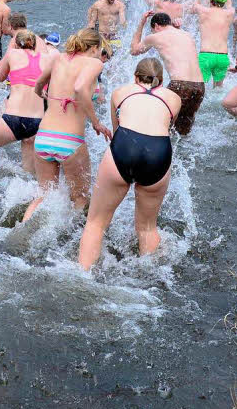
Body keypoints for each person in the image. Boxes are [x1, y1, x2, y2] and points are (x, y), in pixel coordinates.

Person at [78, 58, 182, 267]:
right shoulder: (174, 98)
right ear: (161, 80)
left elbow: (117, 131)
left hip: (125, 146)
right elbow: (169, 129)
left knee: (95, 224)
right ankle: (151, 277)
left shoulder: (120, 92)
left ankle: (82, 275)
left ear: (135, 77)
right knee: (147, 228)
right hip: (158, 153)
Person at [22, 29, 111, 222]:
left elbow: (38, 84)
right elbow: (79, 88)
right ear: (95, 48)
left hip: (44, 137)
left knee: (44, 196)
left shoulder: (58, 58)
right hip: (70, 141)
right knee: (79, 198)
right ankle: (74, 241)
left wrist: (44, 95)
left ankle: (22, 228)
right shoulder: (94, 63)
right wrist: (96, 123)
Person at [0, 30, 53, 176]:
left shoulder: (13, 54)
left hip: (13, 119)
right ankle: (28, 188)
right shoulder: (47, 59)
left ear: (17, 44)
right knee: (27, 146)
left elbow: (0, 77)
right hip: (37, 121)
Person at [129, 11, 204, 135]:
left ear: (157, 26)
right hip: (200, 87)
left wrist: (142, 23)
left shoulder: (156, 36)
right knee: (182, 131)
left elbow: (134, 50)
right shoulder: (186, 34)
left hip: (180, 85)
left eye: (153, 30)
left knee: (158, 123)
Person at [190, 0, 235, 88]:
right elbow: (230, 5)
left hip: (206, 56)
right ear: (223, 2)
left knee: (200, 89)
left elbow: (195, 4)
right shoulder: (229, 14)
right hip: (223, 57)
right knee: (218, 90)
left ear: (210, 0)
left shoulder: (203, 11)